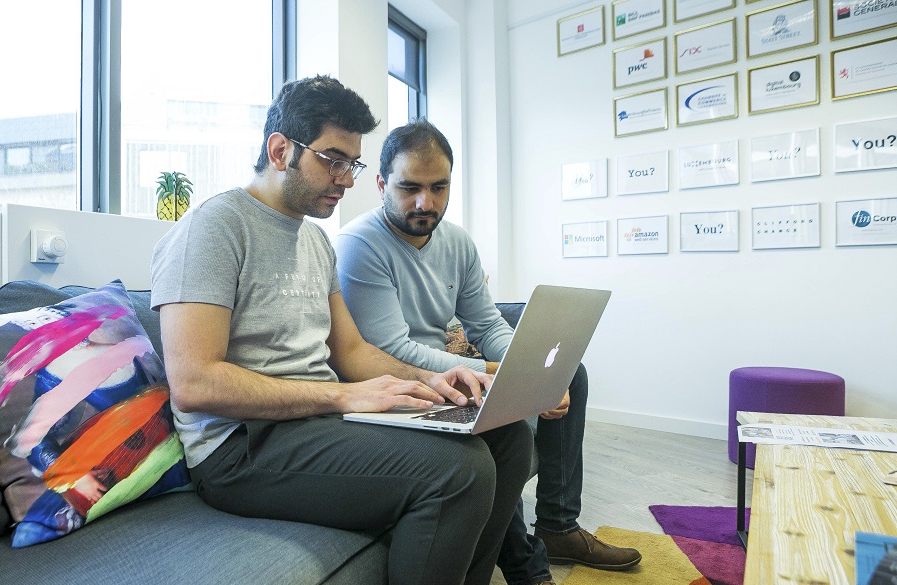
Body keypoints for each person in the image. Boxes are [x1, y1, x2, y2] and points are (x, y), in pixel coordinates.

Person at [150, 76, 534, 585]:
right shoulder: (212, 228)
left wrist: (430, 380)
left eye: (352, 164)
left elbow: (351, 350)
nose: (346, 179)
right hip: (240, 446)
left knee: (506, 434)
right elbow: (195, 383)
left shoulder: (315, 240)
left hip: (315, 421)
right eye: (333, 160)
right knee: (459, 471)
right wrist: (342, 396)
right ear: (280, 150)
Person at [335, 119, 643, 585]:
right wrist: (491, 370)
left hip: (448, 379)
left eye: (439, 187)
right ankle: (527, 567)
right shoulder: (359, 244)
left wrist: (524, 367)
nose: (425, 202)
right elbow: (392, 349)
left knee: (570, 374)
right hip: (398, 383)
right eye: (410, 188)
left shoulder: (456, 241)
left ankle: (558, 525)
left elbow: (487, 324)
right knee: (499, 436)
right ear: (381, 184)